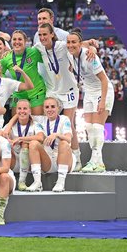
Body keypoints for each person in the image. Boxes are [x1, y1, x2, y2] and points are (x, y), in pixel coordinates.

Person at [36, 23, 84, 171]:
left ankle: (77, 158)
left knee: (69, 123)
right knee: (48, 122)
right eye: (40, 34)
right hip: (52, 91)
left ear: (52, 34)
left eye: (45, 34)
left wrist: (93, 48)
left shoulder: (63, 45)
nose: (43, 37)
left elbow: (82, 45)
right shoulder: (38, 47)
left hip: (69, 90)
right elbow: (22, 51)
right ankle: (50, 154)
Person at [67, 31, 114, 173]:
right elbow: (86, 43)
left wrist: (103, 101)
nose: (70, 45)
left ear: (80, 44)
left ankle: (94, 160)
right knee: (89, 127)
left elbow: (104, 80)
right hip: (88, 92)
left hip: (102, 91)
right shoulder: (70, 55)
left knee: (98, 127)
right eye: (68, 42)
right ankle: (99, 163)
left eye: (74, 42)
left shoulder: (90, 56)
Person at [26, 97, 75, 193]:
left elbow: (69, 139)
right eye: (47, 107)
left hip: (64, 159)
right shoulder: (40, 120)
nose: (50, 109)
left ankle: (61, 182)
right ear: (43, 109)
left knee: (64, 143)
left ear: (58, 108)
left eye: (53, 106)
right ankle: (37, 182)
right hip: (47, 160)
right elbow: (21, 114)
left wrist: (56, 135)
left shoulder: (64, 119)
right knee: (33, 144)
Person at [0, 30, 46, 115]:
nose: (17, 42)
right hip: (19, 93)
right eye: (14, 39)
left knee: (37, 121)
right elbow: (0, 72)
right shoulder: (6, 58)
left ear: (25, 41)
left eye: (20, 39)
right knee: (16, 123)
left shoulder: (34, 52)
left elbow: (48, 58)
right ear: (11, 42)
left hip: (36, 91)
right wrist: (8, 84)